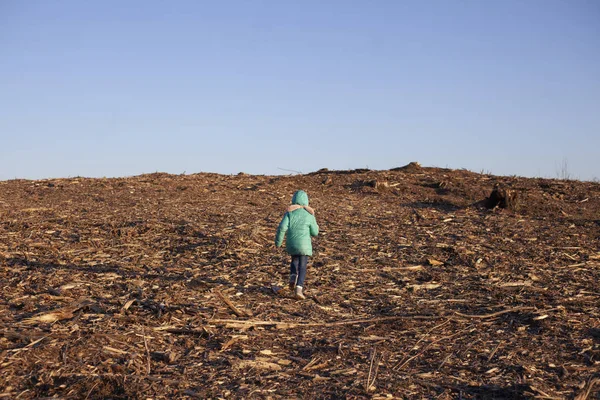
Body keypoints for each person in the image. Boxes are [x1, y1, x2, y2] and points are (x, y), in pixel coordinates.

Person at [275, 190, 319, 299]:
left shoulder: (289, 213)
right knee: (303, 265)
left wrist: (278, 242)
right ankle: (299, 289)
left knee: (294, 259)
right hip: (304, 245)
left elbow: (282, 228)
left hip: (292, 243)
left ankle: (292, 278)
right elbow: (315, 232)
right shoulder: (309, 214)